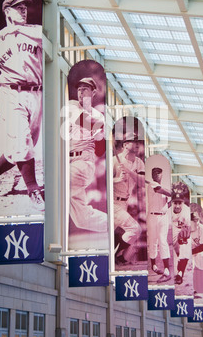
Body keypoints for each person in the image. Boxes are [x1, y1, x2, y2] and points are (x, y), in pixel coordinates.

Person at [0, 0, 44, 211]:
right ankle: (33, 189)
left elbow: (46, 36)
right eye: (18, 8)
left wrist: (18, 29)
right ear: (7, 12)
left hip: (35, 93)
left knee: (22, 146)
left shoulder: (33, 31)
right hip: (10, 93)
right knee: (22, 141)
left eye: (25, 7)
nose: (23, 11)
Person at [68, 76, 108, 233]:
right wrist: (99, 127)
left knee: (58, 184)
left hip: (83, 163)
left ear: (93, 92)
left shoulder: (99, 115)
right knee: (81, 219)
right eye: (79, 89)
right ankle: (113, 225)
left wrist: (101, 137)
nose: (80, 92)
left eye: (85, 89)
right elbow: (83, 120)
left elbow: (99, 151)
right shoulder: (71, 105)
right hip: (68, 161)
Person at [113, 132, 145, 266]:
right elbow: (103, 183)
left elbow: (142, 183)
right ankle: (116, 256)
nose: (137, 143)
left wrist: (129, 171)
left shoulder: (138, 162)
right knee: (135, 229)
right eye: (133, 141)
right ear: (125, 145)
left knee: (111, 233)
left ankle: (115, 257)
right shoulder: (115, 160)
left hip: (124, 202)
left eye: (138, 141)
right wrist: (117, 179)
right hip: (113, 202)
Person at [146, 167, 172, 282]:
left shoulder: (164, 188)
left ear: (162, 175)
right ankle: (154, 265)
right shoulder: (152, 184)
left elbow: (169, 202)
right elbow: (163, 191)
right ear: (152, 175)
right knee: (153, 241)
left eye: (158, 173)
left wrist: (171, 202)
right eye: (154, 173)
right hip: (152, 216)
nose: (156, 175)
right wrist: (175, 193)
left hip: (163, 216)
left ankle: (166, 269)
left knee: (163, 240)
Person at [171, 182, 191, 285]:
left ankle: (180, 274)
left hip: (183, 230)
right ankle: (178, 269)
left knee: (185, 249)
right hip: (173, 231)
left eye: (180, 203)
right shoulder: (168, 211)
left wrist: (185, 234)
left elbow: (188, 228)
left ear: (183, 202)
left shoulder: (187, 211)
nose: (178, 205)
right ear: (172, 203)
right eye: (175, 202)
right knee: (178, 253)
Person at [190, 203, 203, 299]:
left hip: (195, 253)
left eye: (197, 218)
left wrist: (190, 252)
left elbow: (202, 246)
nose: (195, 220)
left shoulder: (201, 228)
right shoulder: (184, 225)